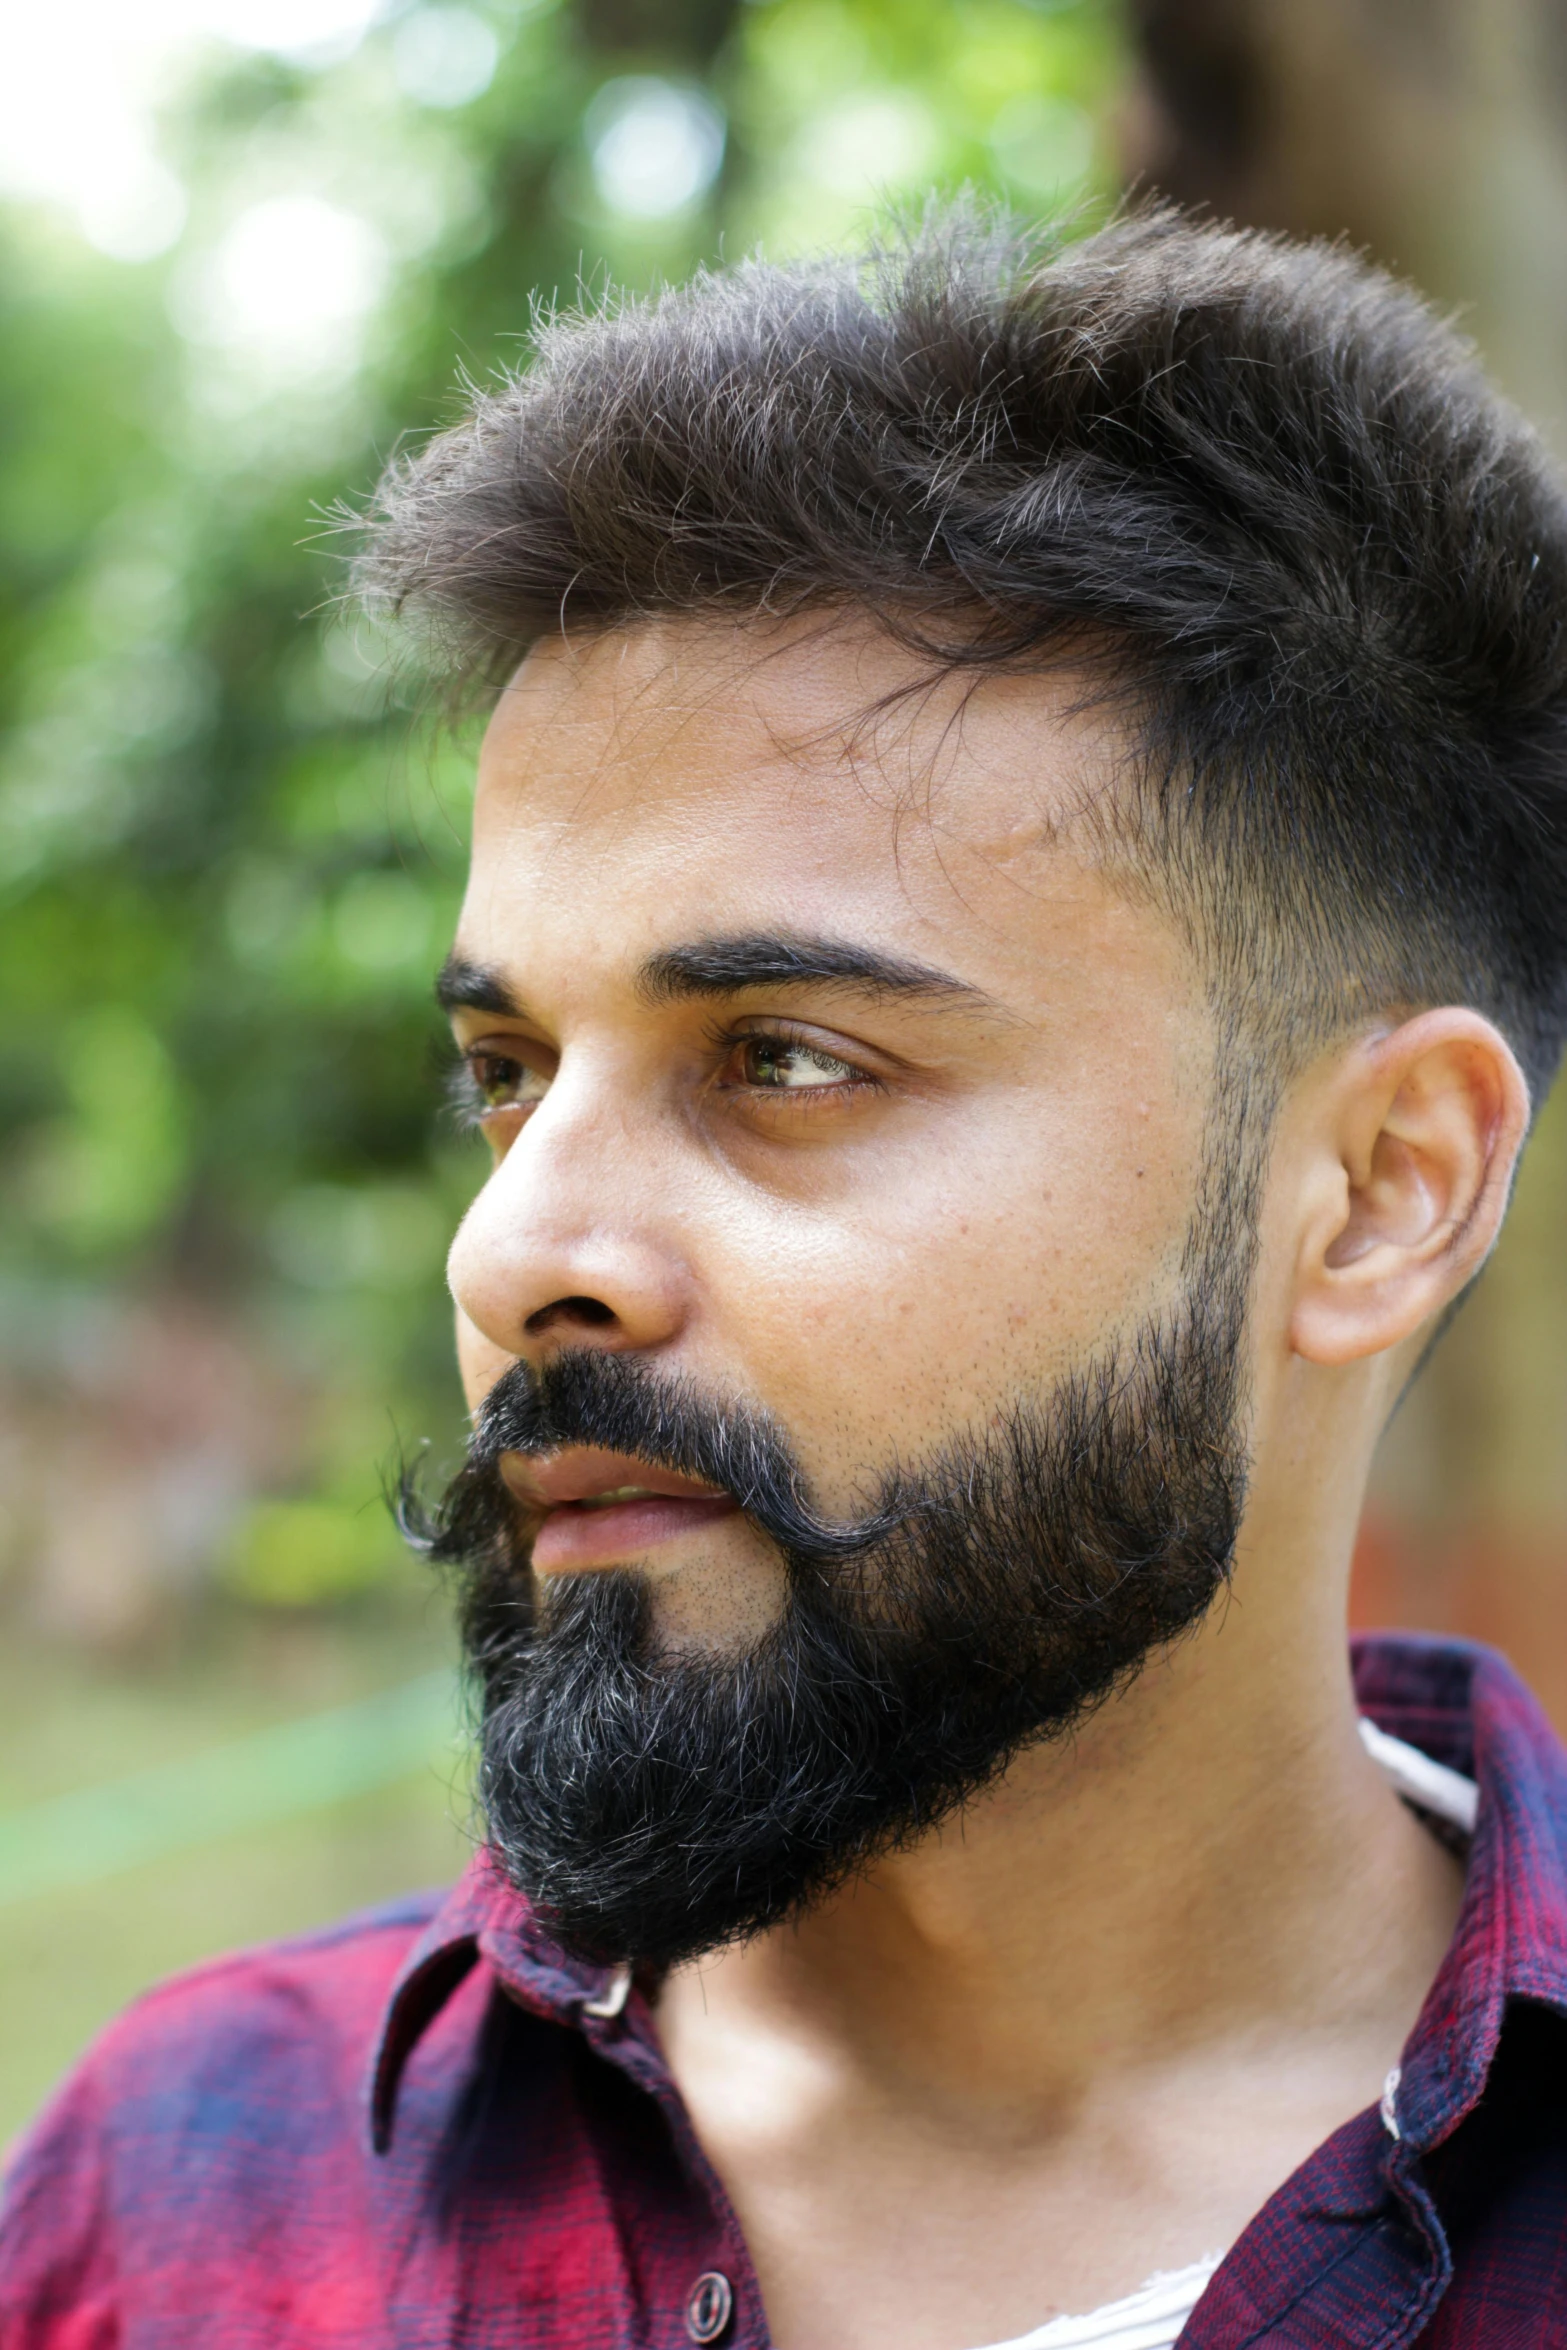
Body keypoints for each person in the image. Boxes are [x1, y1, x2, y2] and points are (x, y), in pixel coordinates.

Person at [6, 203, 1567, 2350]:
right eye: (505, 1068)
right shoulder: (172, 2203)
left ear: (1384, 1189)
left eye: (787, 1059)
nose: (517, 1247)